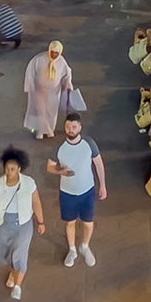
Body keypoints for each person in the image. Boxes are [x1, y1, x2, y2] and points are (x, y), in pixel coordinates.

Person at [0, 147, 46, 300]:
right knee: (4, 252)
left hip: (23, 224)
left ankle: (17, 286)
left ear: (19, 169)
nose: (9, 172)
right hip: (2, 224)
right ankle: (13, 271)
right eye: (7, 168)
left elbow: (36, 202)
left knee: (20, 253)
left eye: (12, 169)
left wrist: (41, 221)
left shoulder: (29, 183)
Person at [45, 113, 105, 267]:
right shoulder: (59, 147)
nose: (70, 130)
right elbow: (50, 167)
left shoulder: (89, 144)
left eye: (74, 127)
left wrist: (102, 186)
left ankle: (85, 246)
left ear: (80, 127)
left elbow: (99, 164)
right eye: (67, 127)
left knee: (88, 223)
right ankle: (72, 250)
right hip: (67, 193)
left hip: (87, 191)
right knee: (70, 223)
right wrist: (60, 171)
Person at [23, 41, 76, 139]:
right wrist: (29, 85)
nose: (54, 55)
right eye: (52, 52)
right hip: (39, 91)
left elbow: (67, 75)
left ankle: (49, 130)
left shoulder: (62, 62)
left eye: (56, 53)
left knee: (51, 112)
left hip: (54, 92)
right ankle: (40, 131)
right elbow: (30, 72)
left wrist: (68, 86)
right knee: (41, 110)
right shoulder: (39, 59)